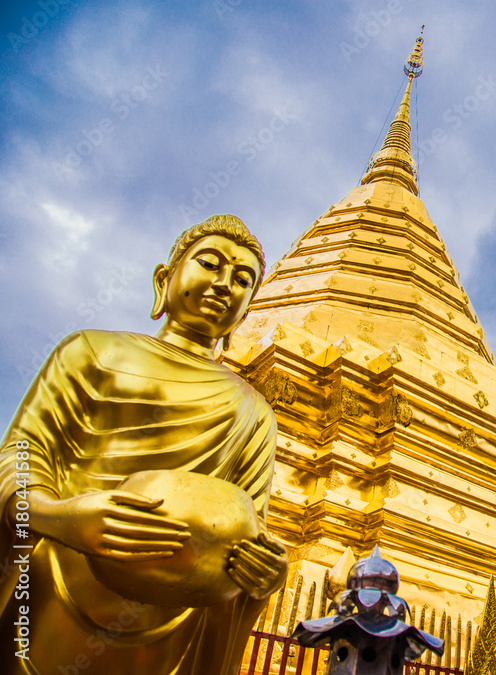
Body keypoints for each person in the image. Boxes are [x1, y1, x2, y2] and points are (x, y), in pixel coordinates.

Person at [0, 214, 288, 674]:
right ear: (164, 278)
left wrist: (263, 570)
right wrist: (60, 517)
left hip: (170, 624)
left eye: (242, 280)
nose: (223, 285)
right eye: (209, 264)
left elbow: (246, 525)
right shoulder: (92, 351)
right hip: (56, 580)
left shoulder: (253, 410)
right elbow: (21, 456)